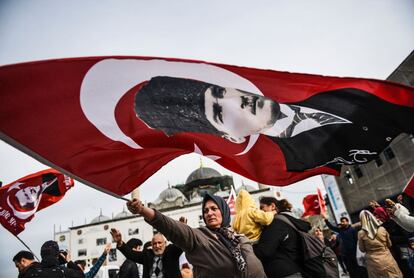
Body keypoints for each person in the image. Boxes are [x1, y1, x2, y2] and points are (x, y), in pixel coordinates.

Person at [134, 76, 414, 172]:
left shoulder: (322, 91)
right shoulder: (296, 160)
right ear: (231, 138)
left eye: (221, 93)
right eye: (222, 114)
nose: (237, 102)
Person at [126, 193, 266, 277]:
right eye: (205, 211)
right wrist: (142, 210)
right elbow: (170, 226)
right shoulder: (199, 236)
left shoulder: (239, 238)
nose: (209, 213)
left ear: (223, 211)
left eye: (214, 209)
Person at [254, 198, 310, 278]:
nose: (260, 212)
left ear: (272, 206)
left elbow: (264, 251)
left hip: (285, 272)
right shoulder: (287, 220)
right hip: (295, 270)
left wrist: (250, 246)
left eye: (262, 208)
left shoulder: (276, 223)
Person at [111, 229, 182, 278]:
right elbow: (131, 254)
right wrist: (120, 242)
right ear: (152, 245)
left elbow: (182, 243)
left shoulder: (172, 252)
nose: (157, 246)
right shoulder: (147, 255)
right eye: (154, 243)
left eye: (159, 243)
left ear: (165, 243)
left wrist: (182, 230)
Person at [358, 210, 403, 278]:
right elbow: (389, 244)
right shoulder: (382, 229)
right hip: (387, 258)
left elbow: (362, 249)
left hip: (373, 262)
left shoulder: (361, 233)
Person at [19, 240, 84, 278]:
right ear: (57, 254)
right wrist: (69, 261)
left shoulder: (28, 274)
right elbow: (81, 275)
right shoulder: (65, 272)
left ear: (41, 254)